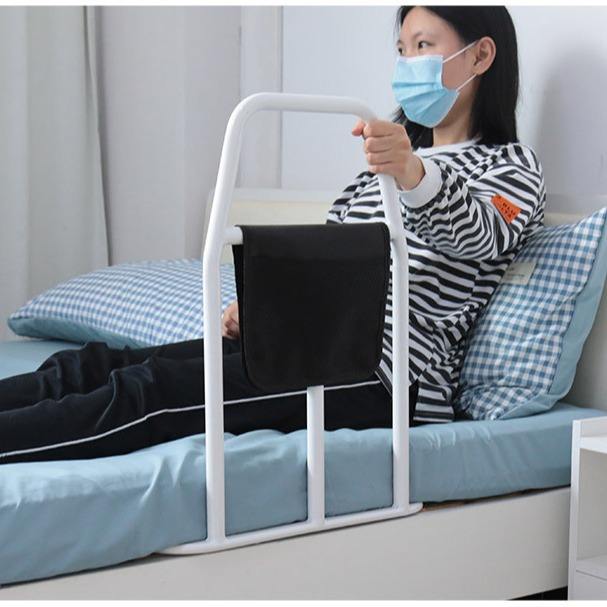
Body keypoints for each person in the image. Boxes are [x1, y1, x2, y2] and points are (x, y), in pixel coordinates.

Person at [0, 5, 545, 465]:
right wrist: (264, 310)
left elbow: (481, 236)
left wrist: (412, 172)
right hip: (307, 347)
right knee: (96, 365)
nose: (407, 64)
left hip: (384, 376)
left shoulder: (509, 168)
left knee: (148, 394)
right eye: (401, 51)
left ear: (480, 55)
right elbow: (330, 270)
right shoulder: (377, 173)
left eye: (423, 46)